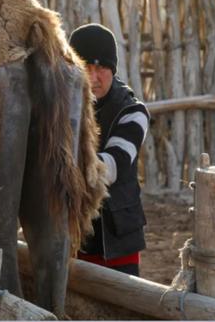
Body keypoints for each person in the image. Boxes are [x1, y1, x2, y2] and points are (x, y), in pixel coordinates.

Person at [69, 23, 149, 277]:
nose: (93, 78)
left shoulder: (133, 112)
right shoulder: (63, 108)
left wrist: (56, 166)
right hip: (74, 242)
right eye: (85, 68)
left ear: (112, 69)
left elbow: (109, 168)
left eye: (101, 67)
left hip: (116, 245)